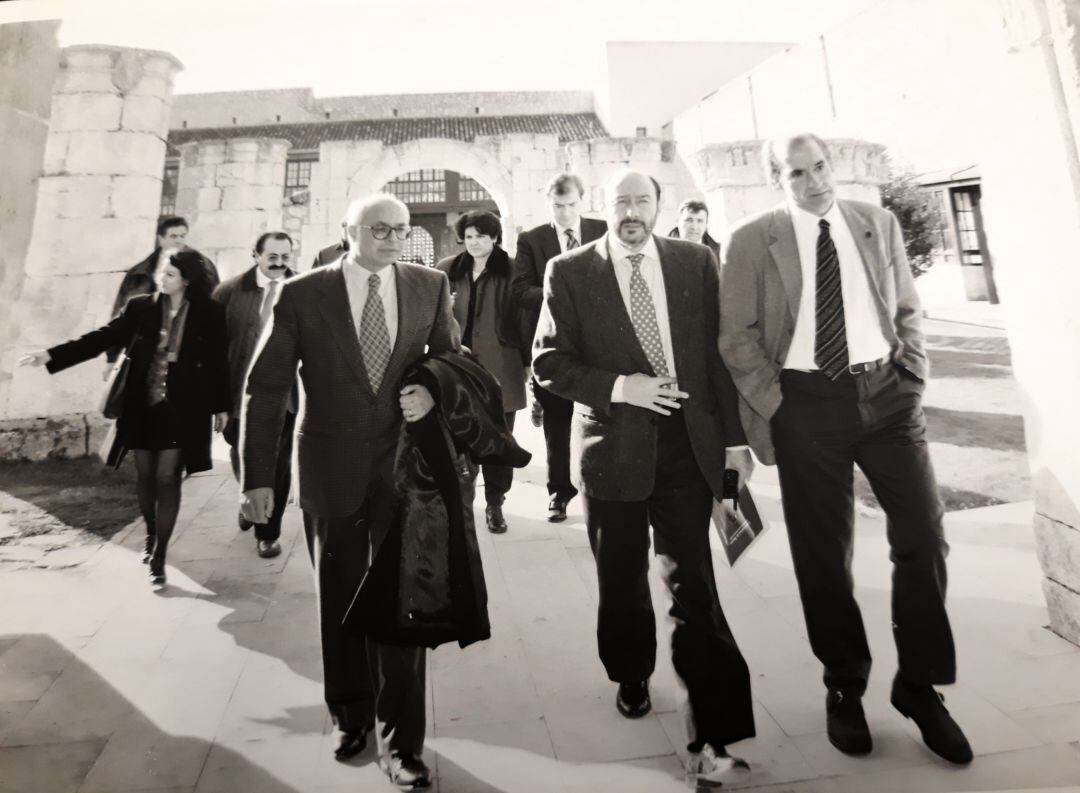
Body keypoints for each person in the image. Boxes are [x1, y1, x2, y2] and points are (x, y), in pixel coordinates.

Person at [717, 132, 972, 765]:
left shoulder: (875, 223)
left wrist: (910, 377)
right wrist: (780, 405)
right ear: (780, 178)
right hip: (807, 405)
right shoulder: (752, 239)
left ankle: (919, 686)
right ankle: (844, 685)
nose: (814, 181)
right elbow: (735, 336)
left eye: (821, 167)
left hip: (887, 397)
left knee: (924, 534)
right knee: (824, 554)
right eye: (797, 172)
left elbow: (906, 309)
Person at [533, 169, 756, 786]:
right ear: (604, 210)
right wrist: (620, 387)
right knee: (621, 576)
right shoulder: (570, 271)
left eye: (642, 200)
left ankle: (709, 733)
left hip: (688, 449)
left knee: (693, 584)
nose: (632, 212)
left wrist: (735, 442)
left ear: (659, 205)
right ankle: (630, 671)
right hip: (612, 452)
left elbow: (716, 358)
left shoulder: (693, 263)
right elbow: (548, 362)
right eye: (620, 202)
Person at [239, 193, 458, 789]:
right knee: (340, 597)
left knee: (406, 602)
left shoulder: (428, 286)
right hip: (331, 470)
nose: (392, 238)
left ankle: (403, 741)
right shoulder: (304, 293)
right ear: (349, 232)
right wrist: (258, 478)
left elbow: (450, 359)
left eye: (401, 229)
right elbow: (266, 389)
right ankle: (350, 713)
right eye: (379, 228)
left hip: (406, 471)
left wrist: (434, 388)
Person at [21, 250, 230, 587]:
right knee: (146, 476)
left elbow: (221, 363)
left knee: (168, 477)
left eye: (171, 275)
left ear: (187, 280)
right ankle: (150, 534)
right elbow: (103, 337)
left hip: (183, 408)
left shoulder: (209, 313)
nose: (162, 279)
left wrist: (222, 406)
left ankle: (160, 554)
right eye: (162, 272)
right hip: (142, 405)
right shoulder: (141, 307)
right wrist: (50, 355)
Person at [510, 172, 606, 522]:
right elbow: (520, 290)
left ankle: (602, 488)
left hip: (600, 348)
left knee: (605, 419)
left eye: (571, 205)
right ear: (547, 203)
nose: (565, 213)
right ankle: (558, 492)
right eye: (557, 206)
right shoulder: (532, 241)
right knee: (557, 423)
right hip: (554, 348)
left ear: (583, 201)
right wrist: (564, 294)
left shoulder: (602, 230)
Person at [436, 211, 525, 534]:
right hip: (459, 367)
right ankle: (462, 501)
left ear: (495, 238)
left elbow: (524, 318)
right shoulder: (447, 270)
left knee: (499, 436)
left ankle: (496, 503)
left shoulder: (513, 269)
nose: (474, 243)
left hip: (502, 364)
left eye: (482, 236)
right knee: (460, 433)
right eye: (470, 236)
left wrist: (527, 360)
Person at [212, 231, 297, 559]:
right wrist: (217, 403)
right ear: (256, 255)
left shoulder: (303, 290)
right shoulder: (228, 292)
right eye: (272, 256)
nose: (279, 263)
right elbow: (214, 352)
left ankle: (268, 532)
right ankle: (248, 498)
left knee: (279, 462)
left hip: (286, 397)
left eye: (285, 257)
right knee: (242, 455)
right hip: (239, 397)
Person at [107, 216, 220, 369]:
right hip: (146, 353)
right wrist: (113, 357)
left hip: (186, 355)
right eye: (173, 236)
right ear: (161, 238)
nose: (179, 241)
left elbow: (212, 311)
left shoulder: (203, 269)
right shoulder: (139, 273)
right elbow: (121, 315)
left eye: (182, 236)